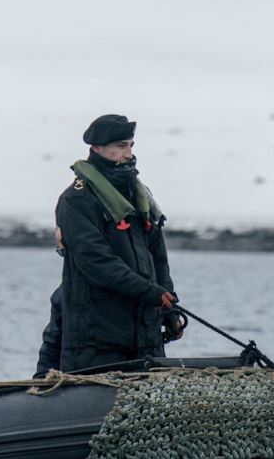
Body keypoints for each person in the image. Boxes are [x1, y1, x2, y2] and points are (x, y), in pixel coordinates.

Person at [55, 114, 186, 371]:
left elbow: (159, 258)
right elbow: (96, 262)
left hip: (146, 337)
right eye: (120, 146)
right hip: (98, 340)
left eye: (130, 146)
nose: (128, 154)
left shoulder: (140, 196)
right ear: (97, 148)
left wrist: (168, 309)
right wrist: (151, 294)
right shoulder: (76, 200)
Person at [34, 230, 65, 378]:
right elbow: (51, 345)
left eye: (63, 252)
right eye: (61, 252)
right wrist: (41, 379)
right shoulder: (62, 295)